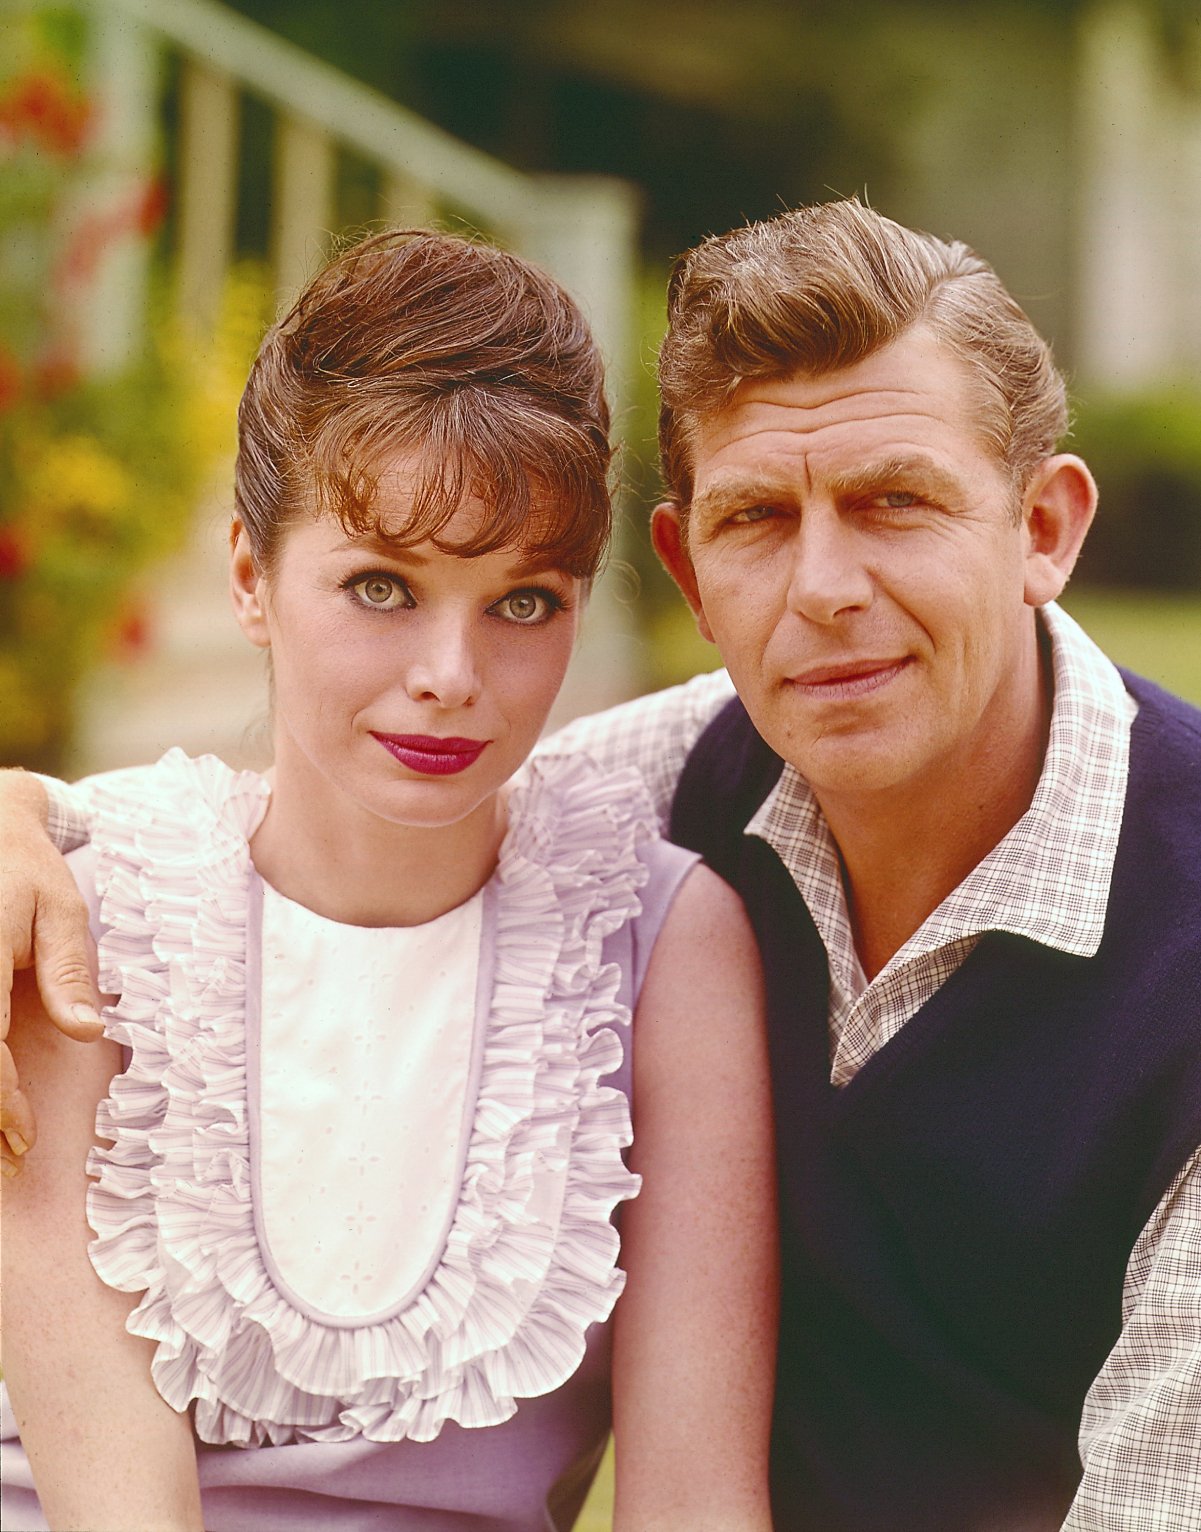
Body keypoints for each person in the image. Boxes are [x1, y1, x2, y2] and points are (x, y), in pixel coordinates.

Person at [5, 199, 1201, 1529]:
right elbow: (309, 829)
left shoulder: (658, 915)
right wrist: (17, 815)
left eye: (894, 503)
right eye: (758, 517)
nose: (822, 590)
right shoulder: (646, 790)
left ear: (1042, 528)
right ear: (687, 568)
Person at [0, 229, 777, 1532]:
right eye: (380, 586)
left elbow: (695, 1501)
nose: (450, 673)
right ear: (250, 579)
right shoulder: (75, 909)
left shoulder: (663, 943)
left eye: (523, 602)